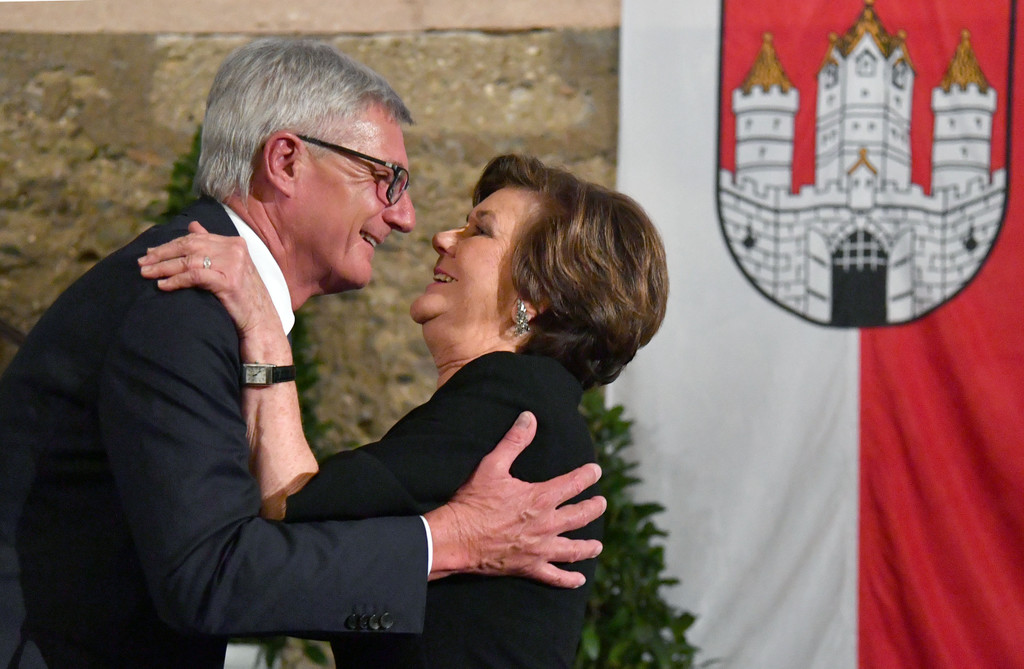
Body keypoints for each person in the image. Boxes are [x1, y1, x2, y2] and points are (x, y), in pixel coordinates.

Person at [0, 39, 605, 669]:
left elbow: (291, 532)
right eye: (386, 179)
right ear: (286, 161)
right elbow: (213, 576)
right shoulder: (183, 300)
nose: (406, 218)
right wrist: (448, 542)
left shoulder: (213, 300)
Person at [139, 153, 670, 666]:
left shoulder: (514, 402)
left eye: (479, 231)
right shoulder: (532, 405)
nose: (443, 238)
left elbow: (292, 510)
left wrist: (264, 329)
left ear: (536, 295)